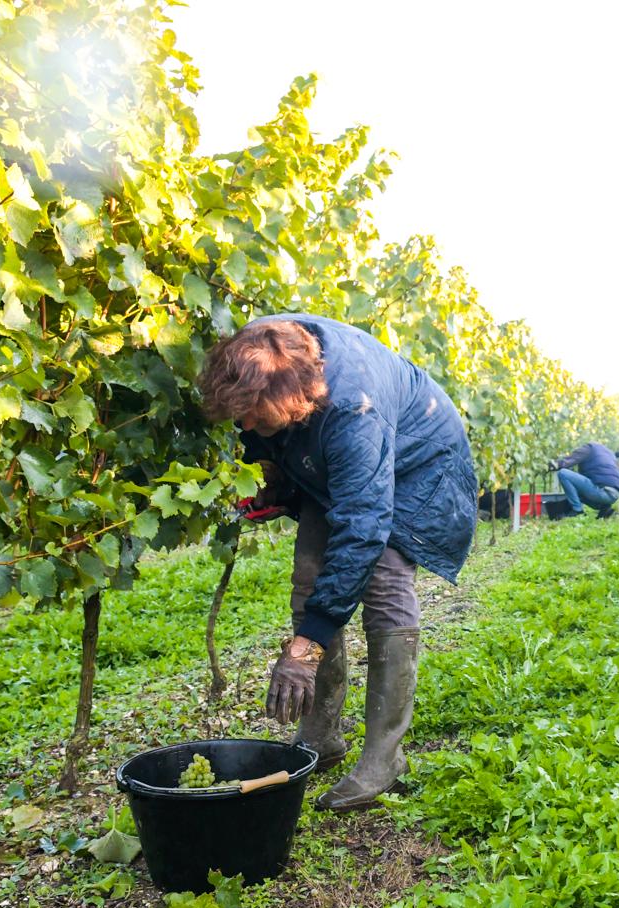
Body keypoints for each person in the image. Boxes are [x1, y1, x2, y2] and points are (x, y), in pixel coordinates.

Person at [199, 314, 477, 812]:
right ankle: (321, 734)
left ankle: (383, 759)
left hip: (415, 464)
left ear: (295, 401)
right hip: (335, 460)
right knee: (309, 575)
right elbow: (259, 426)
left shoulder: (354, 410)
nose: (244, 427)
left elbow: (364, 528)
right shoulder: (257, 352)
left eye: (256, 416)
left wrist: (304, 651)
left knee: (384, 584)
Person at [550, 442, 619, 518]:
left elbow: (570, 461)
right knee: (577, 488)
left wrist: (554, 464)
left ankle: (577, 511)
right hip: (615, 494)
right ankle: (604, 508)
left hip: (601, 491)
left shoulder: (589, 448)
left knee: (563, 473)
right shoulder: (611, 453)